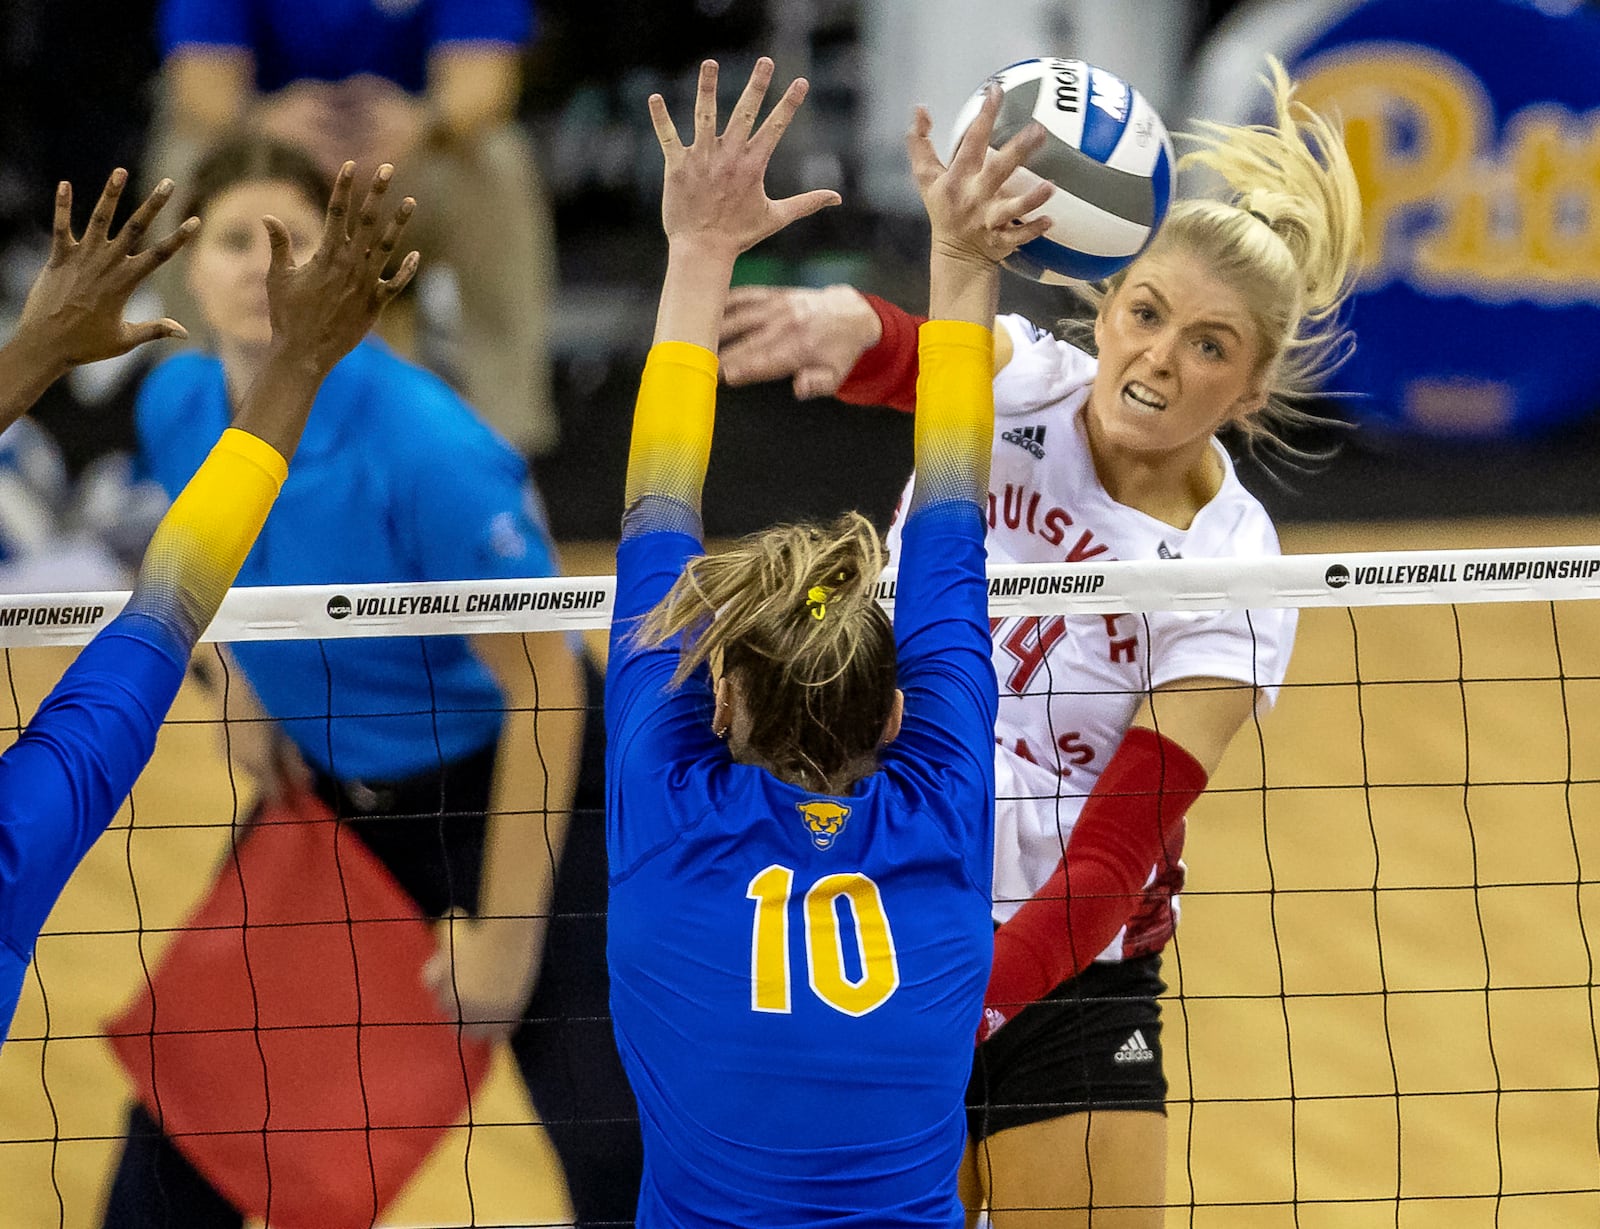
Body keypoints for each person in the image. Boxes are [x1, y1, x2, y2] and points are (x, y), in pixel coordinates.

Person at [718, 60, 1362, 1227]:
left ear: (1253, 389)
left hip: (1067, 967)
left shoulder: (1233, 563)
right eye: (1147, 313)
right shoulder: (1031, 384)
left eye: (1210, 346)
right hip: (870, 905)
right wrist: (840, 320)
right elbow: (916, 350)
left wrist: (973, 1000)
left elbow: (1118, 850)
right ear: (1106, 308)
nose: (1161, 358)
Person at [99, 136, 636, 1229]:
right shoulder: (176, 407)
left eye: (291, 242)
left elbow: (548, 688)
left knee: (621, 1165)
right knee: (172, 1164)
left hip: (518, 802)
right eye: (235, 240)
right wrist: (243, 678)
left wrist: (506, 936)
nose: (263, 266)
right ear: (187, 269)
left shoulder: (424, 443)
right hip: (340, 807)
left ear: (345, 270)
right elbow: (220, 552)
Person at [606, 57, 1058, 1225]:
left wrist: (698, 247)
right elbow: (956, 514)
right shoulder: (943, 804)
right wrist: (964, 265)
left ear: (717, 708)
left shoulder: (672, 808)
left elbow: (660, 496)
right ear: (902, 716)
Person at [1, 162, 418, 1044]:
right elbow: (171, 603)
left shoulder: (421, 440)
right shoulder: (21, 840)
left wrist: (35, 350)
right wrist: (301, 360)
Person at [146, 0, 557, 453]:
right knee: (184, 159)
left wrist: (420, 122)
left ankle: (508, 437)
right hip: (272, 172)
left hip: (403, 167)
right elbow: (200, 84)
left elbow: (485, 83)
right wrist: (268, 122)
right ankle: (191, 410)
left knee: (496, 158)